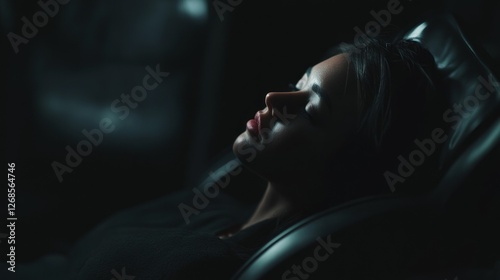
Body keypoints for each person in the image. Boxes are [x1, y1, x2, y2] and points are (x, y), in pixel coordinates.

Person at [5, 37, 442, 279]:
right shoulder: (217, 205)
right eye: (298, 82)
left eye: (308, 108)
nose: (274, 97)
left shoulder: (213, 269)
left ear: (348, 162)